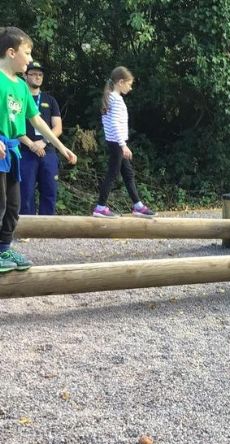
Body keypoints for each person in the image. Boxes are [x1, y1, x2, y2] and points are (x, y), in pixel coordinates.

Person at [0, 26, 76, 273]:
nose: (30, 59)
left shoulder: (21, 87)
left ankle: (4, 248)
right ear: (11, 52)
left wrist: (61, 147)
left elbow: (37, 122)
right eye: (27, 52)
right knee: (0, 203)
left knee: (13, 205)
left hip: (11, 151)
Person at [93, 66, 155, 218]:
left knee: (128, 174)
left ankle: (138, 206)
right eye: (129, 84)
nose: (130, 88)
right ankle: (100, 207)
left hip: (115, 142)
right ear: (121, 82)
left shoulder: (111, 97)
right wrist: (123, 145)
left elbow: (109, 122)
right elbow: (114, 123)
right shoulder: (114, 99)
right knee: (112, 174)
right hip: (117, 143)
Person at [18, 61, 62, 215]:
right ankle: (26, 227)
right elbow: (13, 125)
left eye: (40, 74)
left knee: (50, 192)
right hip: (25, 151)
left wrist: (43, 142)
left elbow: (58, 128)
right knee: (25, 194)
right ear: (25, 76)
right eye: (33, 74)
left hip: (48, 152)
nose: (37, 77)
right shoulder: (19, 98)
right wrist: (31, 144)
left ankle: (47, 228)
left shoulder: (50, 100)